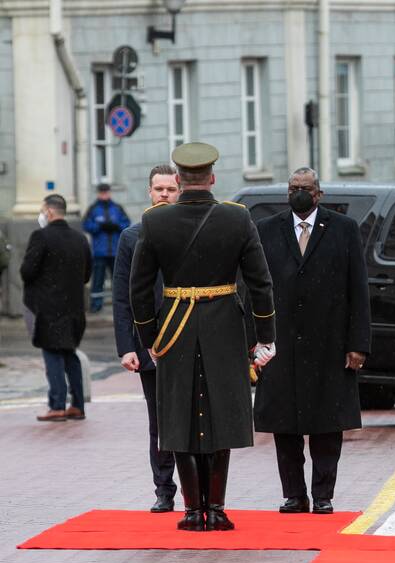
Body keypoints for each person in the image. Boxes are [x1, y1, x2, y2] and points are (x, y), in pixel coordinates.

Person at [130, 142, 276, 531]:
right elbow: (261, 283)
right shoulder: (237, 218)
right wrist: (265, 335)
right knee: (222, 414)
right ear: (212, 178)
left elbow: (139, 288)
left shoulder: (155, 222)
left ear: (178, 180)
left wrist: (148, 336)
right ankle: (219, 508)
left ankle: (194, 510)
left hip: (174, 326)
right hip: (225, 325)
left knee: (179, 415)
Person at [253, 167, 371, 515]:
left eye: (304, 188)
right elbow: (255, 289)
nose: (298, 194)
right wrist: (255, 340)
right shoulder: (267, 229)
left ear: (318, 194)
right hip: (281, 344)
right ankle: (294, 494)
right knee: (284, 425)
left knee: (326, 424)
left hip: (329, 343)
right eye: (292, 188)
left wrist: (358, 343)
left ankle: (323, 494)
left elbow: (358, 289)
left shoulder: (343, 229)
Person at [113, 165, 180, 512]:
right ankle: (163, 489)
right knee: (159, 422)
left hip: (188, 342)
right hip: (149, 344)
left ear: (180, 191)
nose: (164, 195)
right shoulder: (131, 237)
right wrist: (127, 346)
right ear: (149, 192)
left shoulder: (192, 232)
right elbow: (122, 296)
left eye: (170, 189)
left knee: (188, 419)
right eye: (159, 189)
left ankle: (196, 491)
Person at [20, 194, 92, 422]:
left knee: (52, 354)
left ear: (49, 212)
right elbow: (87, 274)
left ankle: (57, 405)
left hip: (48, 308)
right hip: (74, 308)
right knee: (69, 353)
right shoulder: (80, 238)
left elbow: (27, 271)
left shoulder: (41, 236)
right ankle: (78, 405)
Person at [82, 182, 131, 313]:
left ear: (110, 192)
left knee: (119, 280)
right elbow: (86, 225)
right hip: (99, 252)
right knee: (98, 280)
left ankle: (121, 305)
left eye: (106, 192)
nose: (104, 194)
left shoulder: (117, 208)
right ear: (98, 193)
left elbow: (127, 224)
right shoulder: (92, 209)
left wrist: (117, 226)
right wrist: (99, 227)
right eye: (102, 192)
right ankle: (96, 305)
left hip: (116, 251)